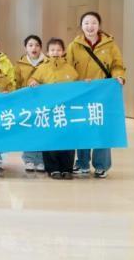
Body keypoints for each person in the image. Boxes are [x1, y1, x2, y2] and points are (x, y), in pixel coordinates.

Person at [66, 11, 126, 179]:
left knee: (101, 128)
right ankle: (82, 163)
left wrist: (119, 76)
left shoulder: (110, 45)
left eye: (93, 23)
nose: (90, 26)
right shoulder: (74, 46)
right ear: (81, 26)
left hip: (103, 93)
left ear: (99, 25)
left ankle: (101, 165)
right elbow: (68, 68)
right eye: (86, 23)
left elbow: (117, 65)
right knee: (82, 127)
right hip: (81, 93)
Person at [28, 38, 79, 180]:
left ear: (63, 52)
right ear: (47, 52)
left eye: (58, 50)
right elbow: (32, 80)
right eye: (52, 50)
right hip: (49, 111)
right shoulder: (42, 68)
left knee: (67, 139)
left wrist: (85, 84)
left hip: (66, 111)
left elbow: (77, 85)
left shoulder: (70, 69)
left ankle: (67, 168)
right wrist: (32, 82)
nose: (55, 52)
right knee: (50, 139)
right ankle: (53, 168)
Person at [14, 35, 47, 172]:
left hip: (43, 103)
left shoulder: (47, 63)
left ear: (41, 47)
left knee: (42, 130)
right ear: (25, 48)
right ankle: (29, 159)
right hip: (26, 103)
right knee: (28, 131)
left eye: (37, 45)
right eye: (30, 45)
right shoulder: (19, 65)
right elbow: (15, 83)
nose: (34, 48)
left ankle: (41, 160)